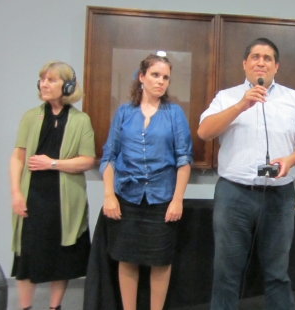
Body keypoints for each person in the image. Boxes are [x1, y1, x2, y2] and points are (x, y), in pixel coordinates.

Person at [198, 37, 295, 310]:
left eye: (267, 58)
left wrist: (291, 159)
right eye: (255, 57)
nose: (260, 62)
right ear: (244, 64)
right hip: (234, 195)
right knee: (226, 272)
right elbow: (205, 132)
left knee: (278, 273)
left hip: (279, 197)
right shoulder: (227, 97)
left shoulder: (294, 99)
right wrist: (241, 105)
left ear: (276, 66)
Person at [100, 54, 192, 310]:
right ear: (141, 77)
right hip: (127, 198)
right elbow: (109, 155)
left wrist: (177, 200)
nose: (161, 81)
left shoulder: (174, 113)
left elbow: (184, 160)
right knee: (127, 260)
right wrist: (109, 195)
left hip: (162, 199)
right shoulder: (124, 112)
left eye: (165, 77)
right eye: (155, 75)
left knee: (160, 261)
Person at [9, 61, 95, 310]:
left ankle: (54, 307)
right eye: (42, 79)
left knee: (61, 257)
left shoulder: (81, 120)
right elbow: (18, 157)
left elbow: (87, 161)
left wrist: (53, 164)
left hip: (64, 202)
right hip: (32, 197)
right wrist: (16, 192)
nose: (44, 84)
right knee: (26, 258)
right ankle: (24, 307)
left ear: (67, 86)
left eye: (52, 80)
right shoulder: (30, 117)